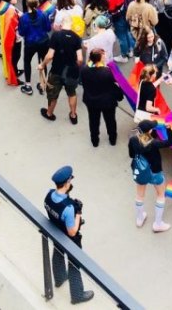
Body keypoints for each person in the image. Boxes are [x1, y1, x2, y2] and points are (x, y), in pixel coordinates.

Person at [44, 166, 94, 304]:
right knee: (74, 264)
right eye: (70, 180)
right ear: (66, 183)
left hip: (56, 233)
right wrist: (78, 213)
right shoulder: (69, 207)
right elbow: (72, 231)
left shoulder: (48, 195)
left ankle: (59, 278)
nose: (71, 183)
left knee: (58, 252)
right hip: (70, 239)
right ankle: (77, 295)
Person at [129, 118, 172, 232]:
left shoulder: (133, 140)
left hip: (140, 171)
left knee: (140, 195)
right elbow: (170, 142)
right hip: (155, 171)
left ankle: (140, 218)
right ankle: (158, 223)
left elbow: (131, 155)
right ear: (149, 132)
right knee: (160, 195)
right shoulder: (152, 142)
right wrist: (169, 130)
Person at [40, 19, 84, 124]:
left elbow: (50, 55)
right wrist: (75, 66)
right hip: (71, 72)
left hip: (57, 71)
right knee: (72, 93)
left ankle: (49, 114)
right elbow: (80, 59)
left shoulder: (56, 36)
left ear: (61, 25)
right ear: (71, 25)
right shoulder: (77, 38)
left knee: (52, 94)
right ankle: (73, 115)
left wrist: (42, 65)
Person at [80, 48, 123, 147]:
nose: (105, 57)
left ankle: (94, 140)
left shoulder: (84, 70)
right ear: (99, 59)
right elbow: (114, 85)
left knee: (93, 121)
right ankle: (112, 139)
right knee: (110, 121)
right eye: (103, 55)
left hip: (91, 101)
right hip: (107, 102)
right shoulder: (107, 72)